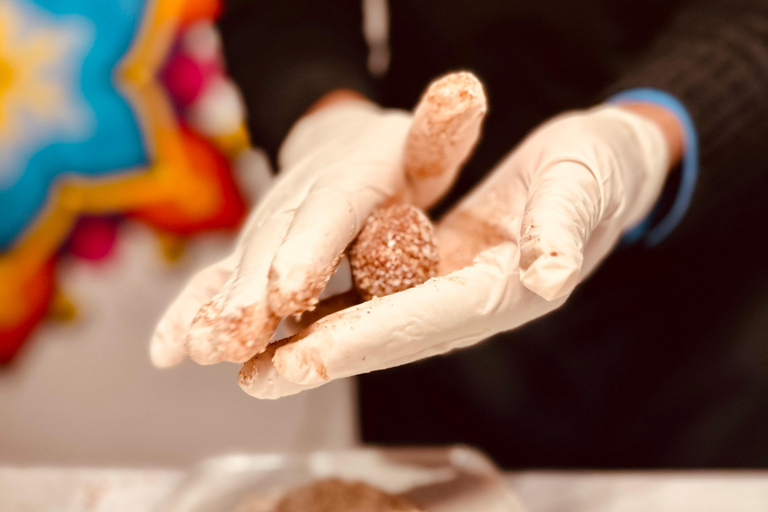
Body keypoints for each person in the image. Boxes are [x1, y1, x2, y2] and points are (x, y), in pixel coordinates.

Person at [155, 0, 768, 468]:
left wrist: (642, 138)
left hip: (709, 324)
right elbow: (282, 14)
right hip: (434, 295)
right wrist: (326, 115)